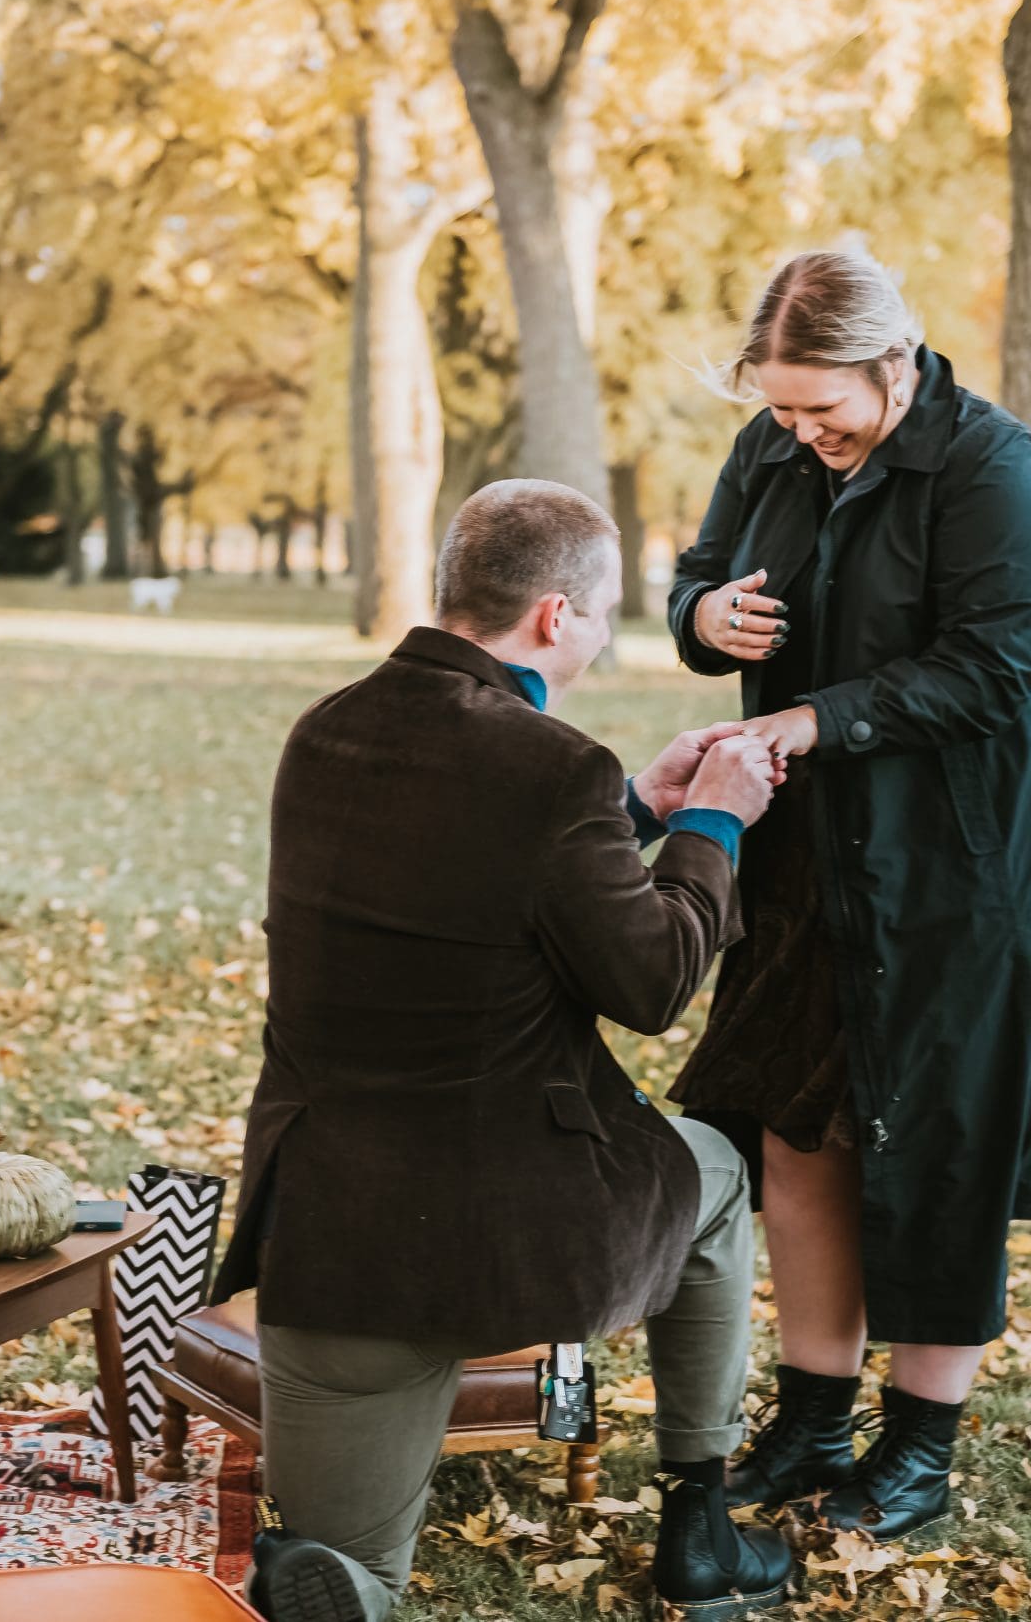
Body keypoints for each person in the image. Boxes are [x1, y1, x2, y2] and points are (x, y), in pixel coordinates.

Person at [211, 479, 798, 1622]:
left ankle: (334, 1584)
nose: (603, 634)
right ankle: (699, 1520)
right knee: (719, 1178)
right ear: (550, 616)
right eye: (603, 612)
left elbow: (470, 880)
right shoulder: (548, 766)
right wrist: (711, 820)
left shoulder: (323, 733)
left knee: (353, 1574)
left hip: (332, 1238)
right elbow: (651, 981)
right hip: (517, 1230)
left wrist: (627, 808)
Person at [664, 247, 1031, 1541]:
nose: (802, 433)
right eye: (783, 409)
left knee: (937, 1137)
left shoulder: (994, 470)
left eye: (823, 408)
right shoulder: (773, 446)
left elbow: (991, 667)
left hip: (968, 856)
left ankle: (920, 1446)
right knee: (805, 1122)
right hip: (808, 847)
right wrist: (706, 617)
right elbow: (697, 571)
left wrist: (809, 714)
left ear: (894, 361)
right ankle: (813, 1413)